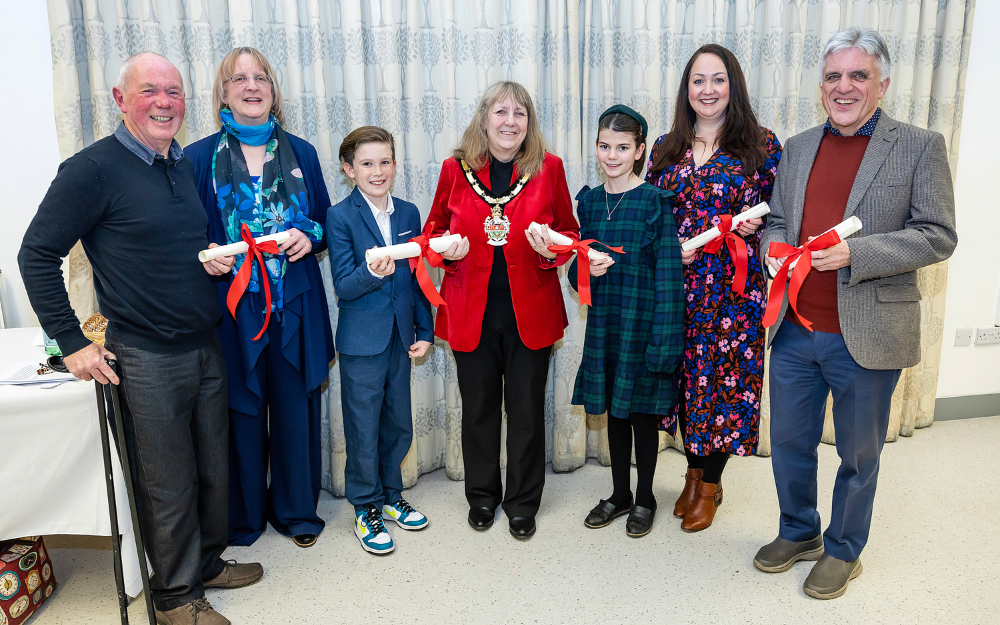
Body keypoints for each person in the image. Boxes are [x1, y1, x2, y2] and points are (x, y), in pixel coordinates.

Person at [18, 52, 260, 625]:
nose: (164, 102)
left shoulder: (178, 165)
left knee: (211, 470)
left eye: (174, 92)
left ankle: (203, 563)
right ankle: (175, 598)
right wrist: (72, 342)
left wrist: (212, 265)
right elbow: (37, 255)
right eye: (150, 90)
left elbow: (164, 249)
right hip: (147, 354)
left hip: (203, 342)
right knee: (166, 482)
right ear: (120, 98)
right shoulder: (91, 170)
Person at [755, 27, 957, 599]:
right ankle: (799, 531)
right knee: (790, 443)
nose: (844, 87)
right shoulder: (796, 148)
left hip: (868, 332)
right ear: (821, 87)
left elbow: (938, 235)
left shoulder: (919, 145)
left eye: (858, 75)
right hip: (795, 329)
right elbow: (777, 222)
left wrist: (857, 254)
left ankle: (844, 549)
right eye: (833, 76)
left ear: (882, 83)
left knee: (856, 452)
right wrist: (773, 245)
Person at [186, 47, 334, 549]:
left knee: (296, 407)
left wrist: (308, 237)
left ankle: (296, 511)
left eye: (261, 78)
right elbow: (185, 235)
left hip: (294, 301)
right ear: (223, 92)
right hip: (233, 307)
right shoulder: (198, 157)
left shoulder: (303, 152)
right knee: (241, 409)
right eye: (240, 79)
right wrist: (206, 252)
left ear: (273, 89)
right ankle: (244, 516)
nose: (252, 87)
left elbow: (325, 225)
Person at [423, 81, 579, 539]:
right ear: (484, 117)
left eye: (520, 114)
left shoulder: (549, 168)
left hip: (530, 310)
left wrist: (549, 250)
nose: (510, 122)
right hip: (469, 309)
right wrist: (445, 250)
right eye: (501, 112)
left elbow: (567, 233)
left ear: (529, 123)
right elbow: (433, 232)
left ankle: (523, 502)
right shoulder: (455, 169)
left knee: (527, 410)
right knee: (478, 410)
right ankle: (482, 497)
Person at [645, 44, 782, 532]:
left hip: (732, 293)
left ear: (734, 86)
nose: (708, 90)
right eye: (698, 80)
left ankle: (709, 485)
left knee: (723, 388)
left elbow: (780, 219)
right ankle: (693, 471)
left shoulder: (762, 145)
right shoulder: (664, 147)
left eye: (718, 79)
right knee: (685, 386)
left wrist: (755, 231)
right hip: (676, 291)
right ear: (686, 89)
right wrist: (666, 247)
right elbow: (649, 215)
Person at [573, 106, 684, 538]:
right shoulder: (589, 202)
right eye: (604, 146)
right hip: (606, 324)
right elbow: (574, 265)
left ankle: (645, 496)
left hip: (645, 326)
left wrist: (664, 344)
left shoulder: (655, 202)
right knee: (615, 414)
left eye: (623, 147)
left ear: (639, 151)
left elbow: (670, 278)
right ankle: (619, 494)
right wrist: (584, 270)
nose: (612, 155)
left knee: (640, 415)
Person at [326, 126, 435, 555]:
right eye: (367, 164)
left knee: (398, 421)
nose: (377, 171)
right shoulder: (340, 215)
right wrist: (373, 271)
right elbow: (343, 286)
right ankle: (365, 505)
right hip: (361, 340)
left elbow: (419, 275)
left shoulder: (408, 212)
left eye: (385, 162)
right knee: (363, 425)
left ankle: (391, 495)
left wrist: (425, 331)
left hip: (400, 336)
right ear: (349, 170)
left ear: (395, 164)